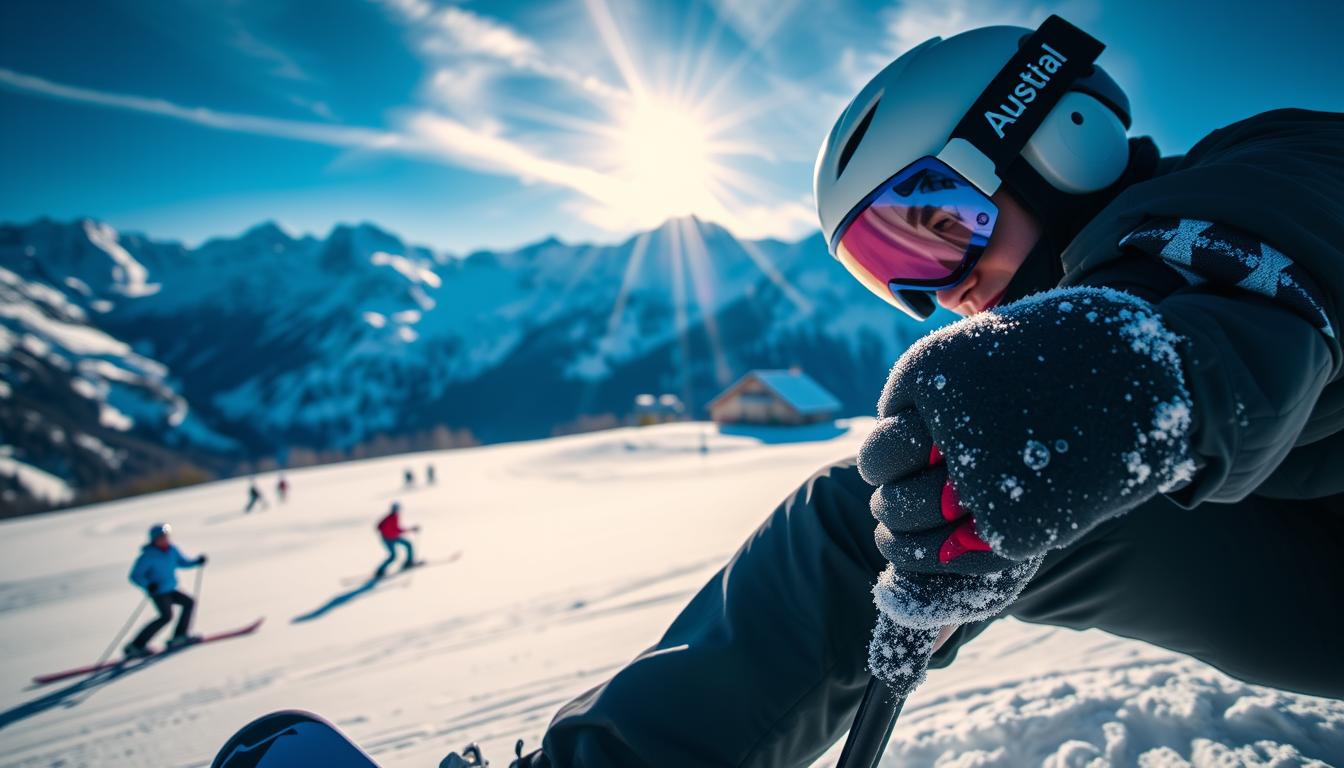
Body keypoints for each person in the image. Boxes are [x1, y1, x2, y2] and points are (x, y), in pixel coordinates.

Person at [445, 16, 1344, 768]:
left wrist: (1124, 365)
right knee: (913, 507)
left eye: (934, 227)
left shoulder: (1280, 158)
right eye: (890, 273)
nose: (938, 293)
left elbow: (1256, 276)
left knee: (871, 510)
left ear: (1059, 140)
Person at [125, 523, 207, 657]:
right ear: (154, 540)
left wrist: (197, 562)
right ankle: (135, 646)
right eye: (161, 537)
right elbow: (135, 576)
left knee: (189, 603)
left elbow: (183, 562)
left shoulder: (172, 550)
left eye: (166, 536)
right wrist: (148, 584)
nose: (164, 539)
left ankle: (179, 637)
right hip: (158, 592)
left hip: (170, 589)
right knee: (166, 617)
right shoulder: (147, 556)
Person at [375, 502, 420, 578]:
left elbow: (380, 527)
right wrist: (411, 529)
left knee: (407, 546)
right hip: (390, 539)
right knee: (394, 555)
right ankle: (380, 571)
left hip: (390, 538)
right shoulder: (392, 518)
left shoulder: (391, 517)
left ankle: (380, 570)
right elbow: (397, 530)